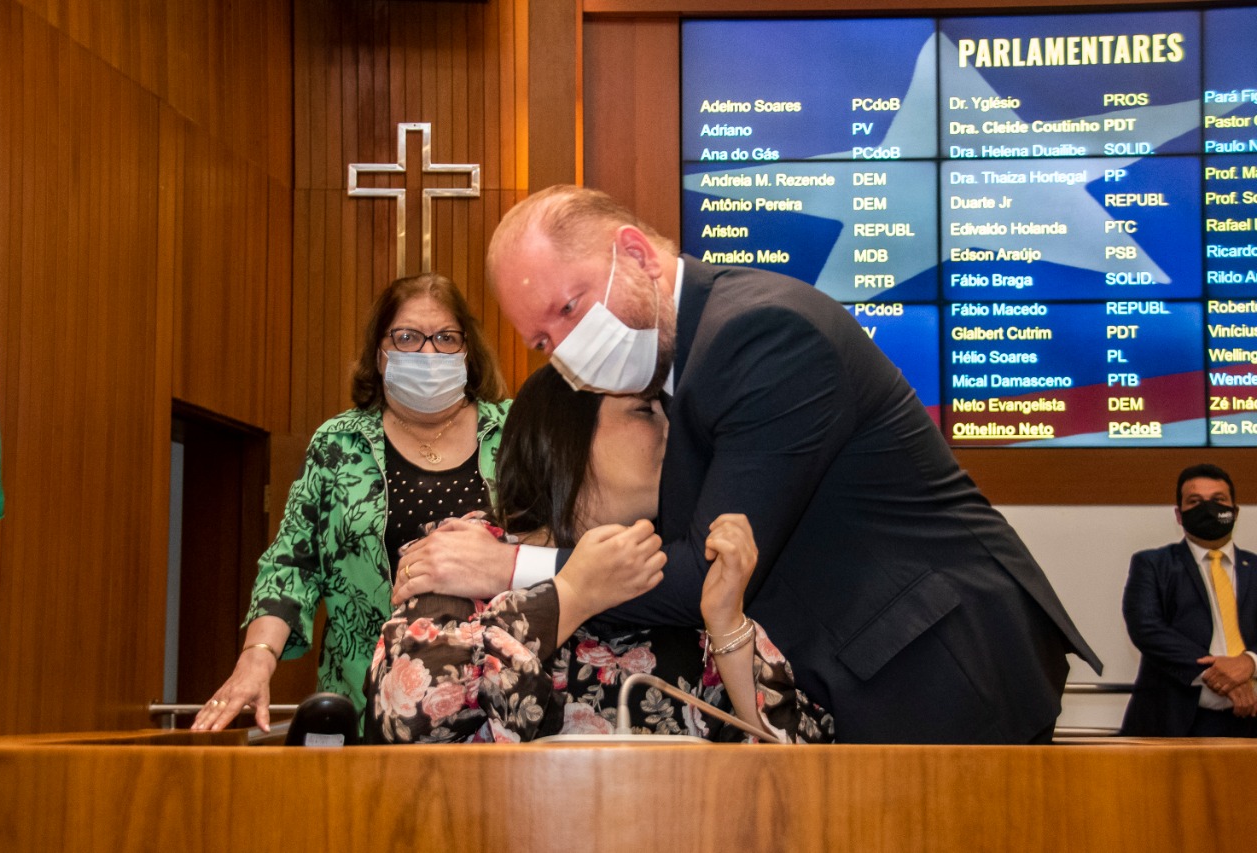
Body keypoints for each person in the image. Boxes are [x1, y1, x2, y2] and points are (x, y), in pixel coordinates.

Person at [393, 184, 1102, 744]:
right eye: (544, 341)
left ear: (635, 254)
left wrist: (511, 570)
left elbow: (704, 568)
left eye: (570, 308)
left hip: (941, 668)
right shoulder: (682, 364)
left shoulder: (758, 335)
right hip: (867, 683)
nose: (569, 350)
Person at [363, 365, 834, 743]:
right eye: (646, 411)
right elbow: (411, 722)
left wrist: (727, 624)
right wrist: (571, 594)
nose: (673, 431)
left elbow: (810, 765)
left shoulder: (685, 576)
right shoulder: (461, 556)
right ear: (566, 434)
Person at [191, 273, 511, 732]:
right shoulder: (338, 443)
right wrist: (256, 659)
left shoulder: (514, 433)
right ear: (380, 353)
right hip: (367, 708)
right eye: (406, 337)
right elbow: (292, 564)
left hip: (498, 706)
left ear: (467, 350)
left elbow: (556, 546)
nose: (427, 353)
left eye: (445, 337)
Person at [1121, 463, 1257, 737]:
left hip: (1251, 719)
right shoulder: (1152, 564)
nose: (1207, 508)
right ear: (1179, 515)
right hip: (1174, 721)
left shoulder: (1255, 567)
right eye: (1195, 501)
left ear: (1234, 511)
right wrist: (1222, 675)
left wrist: (1250, 662)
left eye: (1218, 500)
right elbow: (1146, 628)